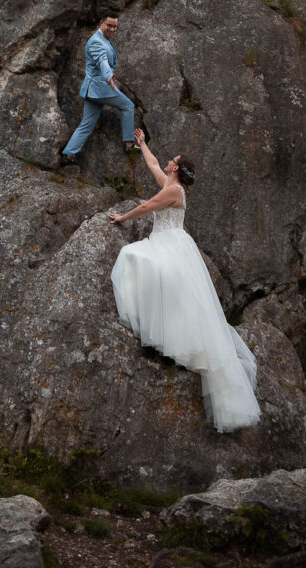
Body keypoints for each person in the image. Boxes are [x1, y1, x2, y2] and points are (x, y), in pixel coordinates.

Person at [108, 129, 260, 433]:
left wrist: (122, 218)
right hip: (170, 242)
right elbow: (152, 165)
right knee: (166, 284)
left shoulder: (174, 192)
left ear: (176, 168)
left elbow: (147, 207)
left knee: (132, 257)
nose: (166, 161)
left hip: (170, 244)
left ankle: (167, 338)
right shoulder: (171, 185)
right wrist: (142, 145)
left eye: (171, 160)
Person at [60, 12, 137, 167]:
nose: (113, 29)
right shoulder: (96, 42)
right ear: (101, 23)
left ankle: (68, 154)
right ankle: (129, 145)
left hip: (92, 90)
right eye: (110, 25)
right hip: (100, 88)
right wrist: (109, 75)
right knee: (128, 106)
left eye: (115, 27)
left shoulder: (103, 39)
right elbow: (102, 61)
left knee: (87, 124)